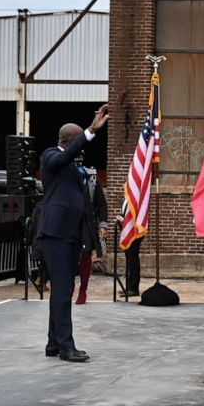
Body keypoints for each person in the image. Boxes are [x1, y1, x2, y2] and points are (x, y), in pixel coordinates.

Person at [37, 104, 109, 362]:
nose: (81, 150)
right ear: (67, 141)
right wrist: (90, 130)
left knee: (62, 290)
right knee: (63, 289)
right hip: (55, 235)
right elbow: (65, 157)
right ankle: (67, 346)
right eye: (76, 141)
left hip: (70, 236)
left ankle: (53, 343)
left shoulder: (73, 166)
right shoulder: (50, 156)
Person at [74, 156, 108, 305]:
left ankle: (83, 290)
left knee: (86, 257)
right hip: (69, 223)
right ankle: (68, 286)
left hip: (86, 223)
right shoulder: (63, 173)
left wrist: (102, 225)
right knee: (68, 257)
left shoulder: (91, 175)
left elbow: (101, 204)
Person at [117, 199, 143, 297]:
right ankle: (129, 286)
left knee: (133, 259)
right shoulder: (127, 196)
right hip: (127, 230)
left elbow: (135, 214)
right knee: (129, 259)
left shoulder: (135, 196)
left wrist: (125, 220)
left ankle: (133, 288)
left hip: (134, 232)